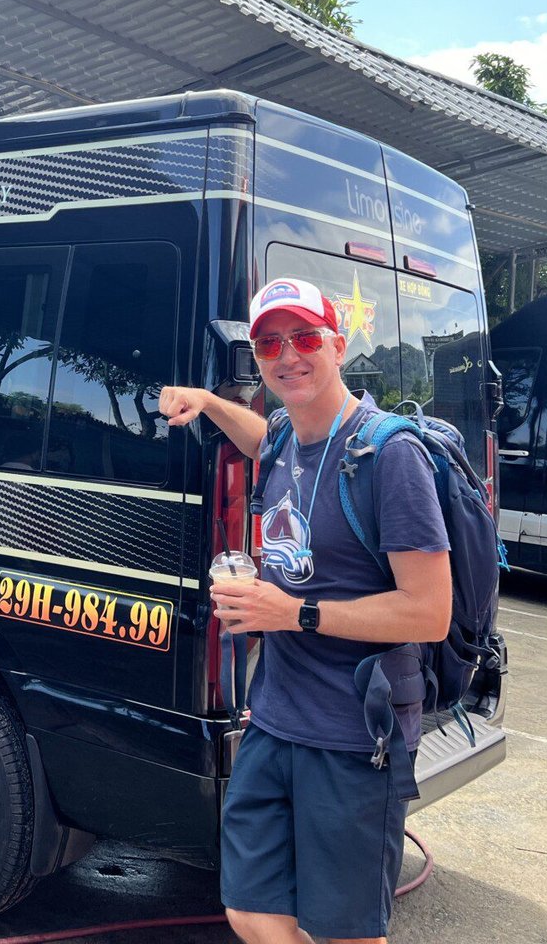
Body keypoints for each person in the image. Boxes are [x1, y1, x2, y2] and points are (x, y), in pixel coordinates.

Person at [159, 276, 452, 944]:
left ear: (338, 344)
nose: (287, 354)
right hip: (276, 722)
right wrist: (207, 401)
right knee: (251, 909)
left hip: (354, 737)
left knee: (346, 932)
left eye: (304, 337)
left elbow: (429, 612)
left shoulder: (389, 455)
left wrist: (293, 613)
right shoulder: (290, 437)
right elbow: (262, 437)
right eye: (269, 343)